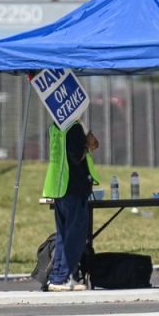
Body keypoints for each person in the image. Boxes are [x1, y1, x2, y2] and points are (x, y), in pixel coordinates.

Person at [42, 120, 100, 292]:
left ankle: (57, 278)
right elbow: (75, 155)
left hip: (59, 188)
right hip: (73, 188)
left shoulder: (55, 127)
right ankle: (62, 278)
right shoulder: (74, 127)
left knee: (63, 236)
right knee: (75, 237)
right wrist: (87, 146)